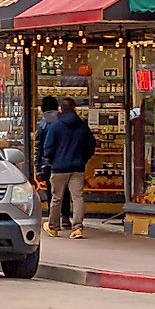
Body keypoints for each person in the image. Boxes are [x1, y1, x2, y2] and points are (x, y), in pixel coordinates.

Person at [37, 96, 97, 238]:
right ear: (74, 108)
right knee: (77, 197)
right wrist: (83, 159)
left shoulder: (56, 125)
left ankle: (53, 226)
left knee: (57, 197)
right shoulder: (82, 125)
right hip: (77, 167)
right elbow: (91, 145)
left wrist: (52, 161)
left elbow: (47, 147)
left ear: (61, 109)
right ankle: (77, 227)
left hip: (58, 167)